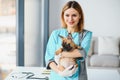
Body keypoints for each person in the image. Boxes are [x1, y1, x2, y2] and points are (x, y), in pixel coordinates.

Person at [45, 1, 92, 80]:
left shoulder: (86, 34)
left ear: (80, 16)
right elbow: (49, 59)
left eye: (74, 15)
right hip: (57, 77)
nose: (70, 19)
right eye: (67, 15)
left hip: (77, 77)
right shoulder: (55, 34)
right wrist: (60, 72)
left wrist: (60, 54)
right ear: (63, 16)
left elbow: (82, 53)